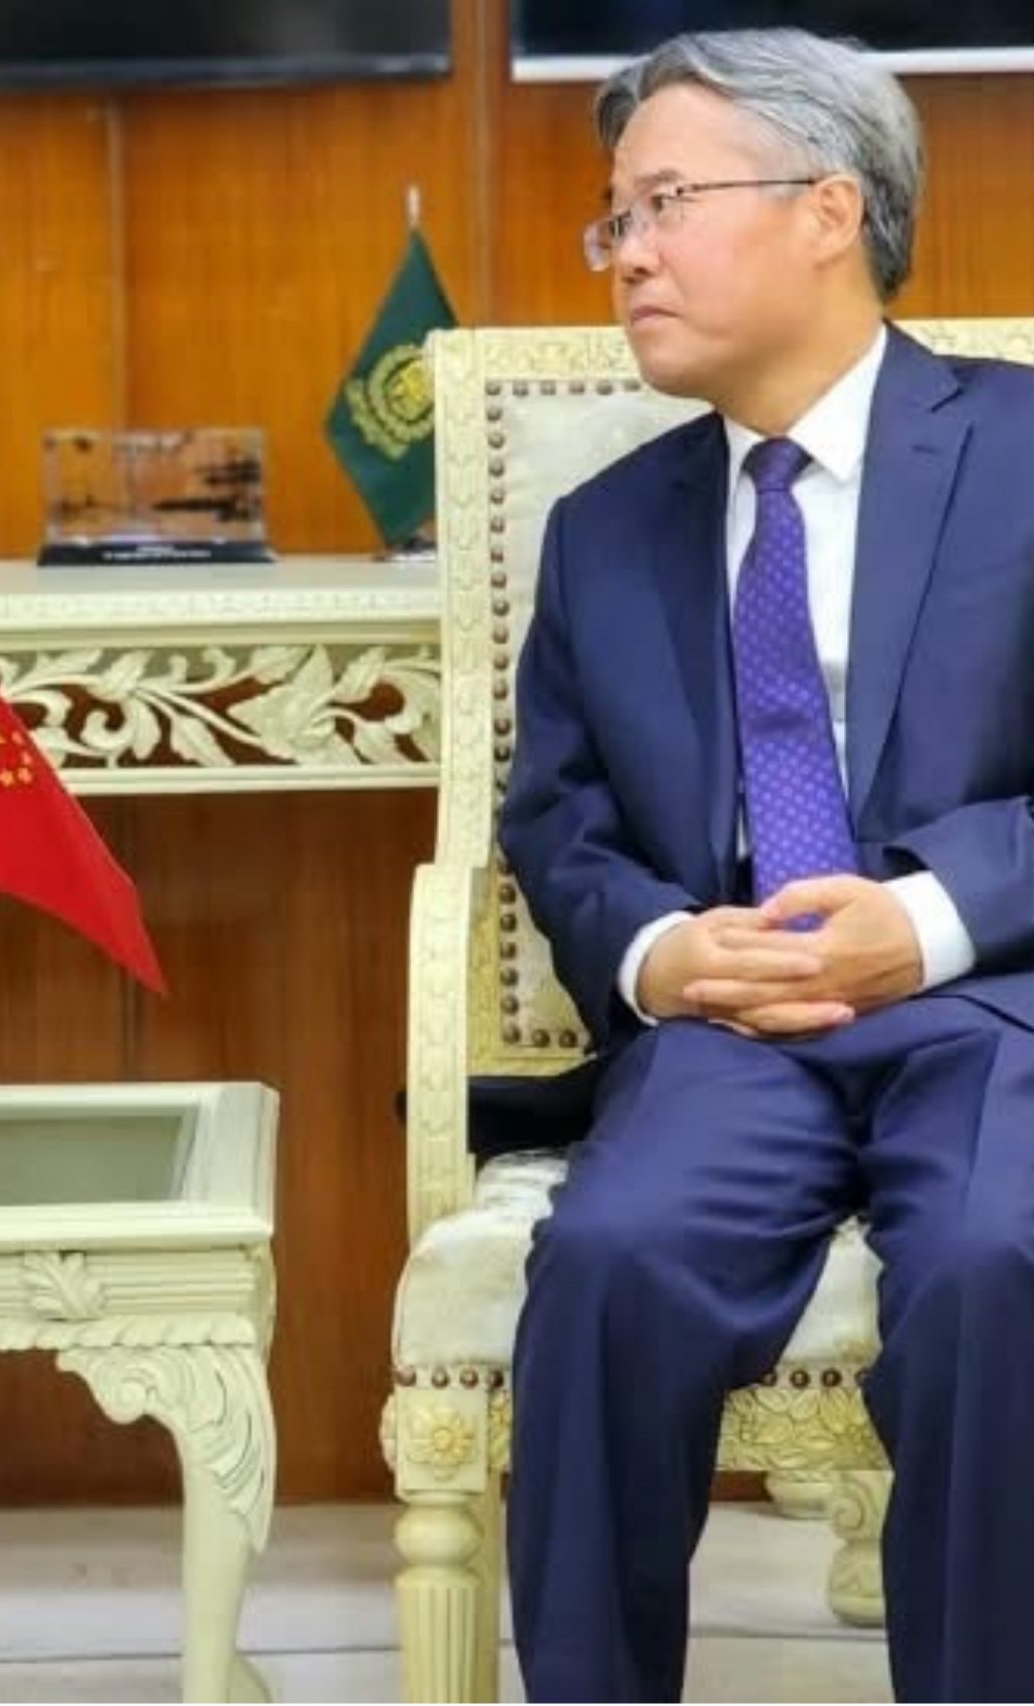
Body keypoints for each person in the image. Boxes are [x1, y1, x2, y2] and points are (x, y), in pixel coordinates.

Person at [501, 25, 1034, 1703]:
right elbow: (559, 818)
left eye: (665, 203)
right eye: (615, 218)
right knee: (608, 1263)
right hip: (731, 1028)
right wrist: (661, 953)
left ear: (829, 209)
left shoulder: (1025, 453)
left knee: (997, 1266)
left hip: (995, 1011)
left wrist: (928, 922)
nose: (626, 254)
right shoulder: (606, 531)